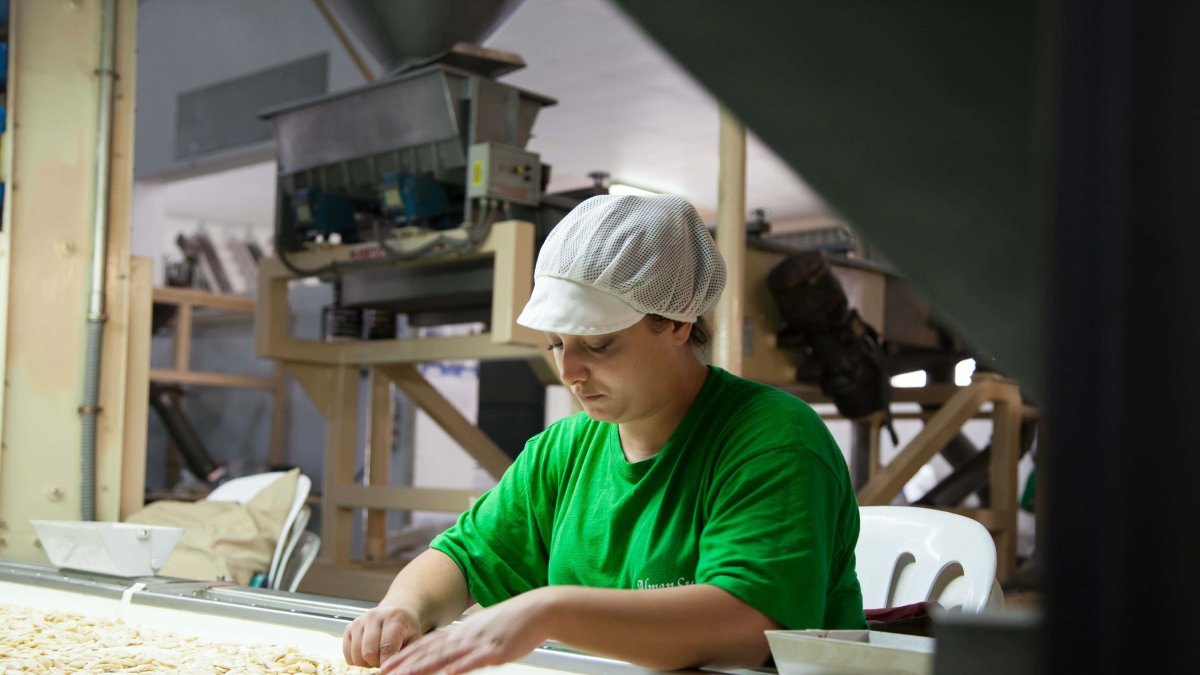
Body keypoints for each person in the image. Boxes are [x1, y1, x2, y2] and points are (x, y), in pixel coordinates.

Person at [343, 195, 865, 674]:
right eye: (556, 344)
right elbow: (462, 557)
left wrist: (552, 610)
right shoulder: (563, 451)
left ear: (678, 324)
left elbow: (751, 628)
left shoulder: (772, 438)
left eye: (598, 345)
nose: (569, 371)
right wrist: (401, 609)